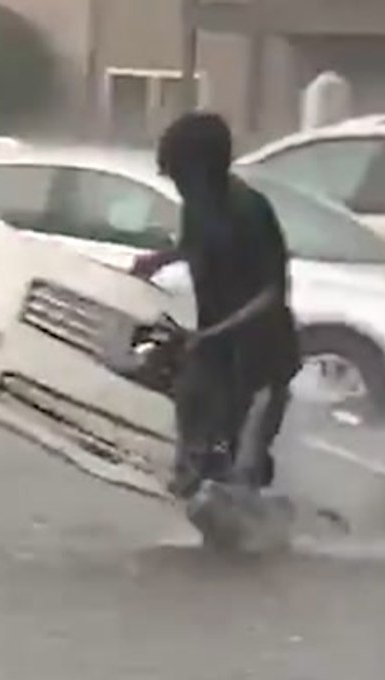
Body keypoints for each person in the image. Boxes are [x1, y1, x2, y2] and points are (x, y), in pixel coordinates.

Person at [129, 112, 301, 501]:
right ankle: (194, 493)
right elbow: (195, 248)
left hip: (262, 357)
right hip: (212, 351)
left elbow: (272, 294)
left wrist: (211, 334)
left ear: (203, 169)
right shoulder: (196, 207)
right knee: (195, 426)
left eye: (180, 176)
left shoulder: (250, 210)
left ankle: (263, 515)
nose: (176, 186)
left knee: (246, 457)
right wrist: (159, 260)